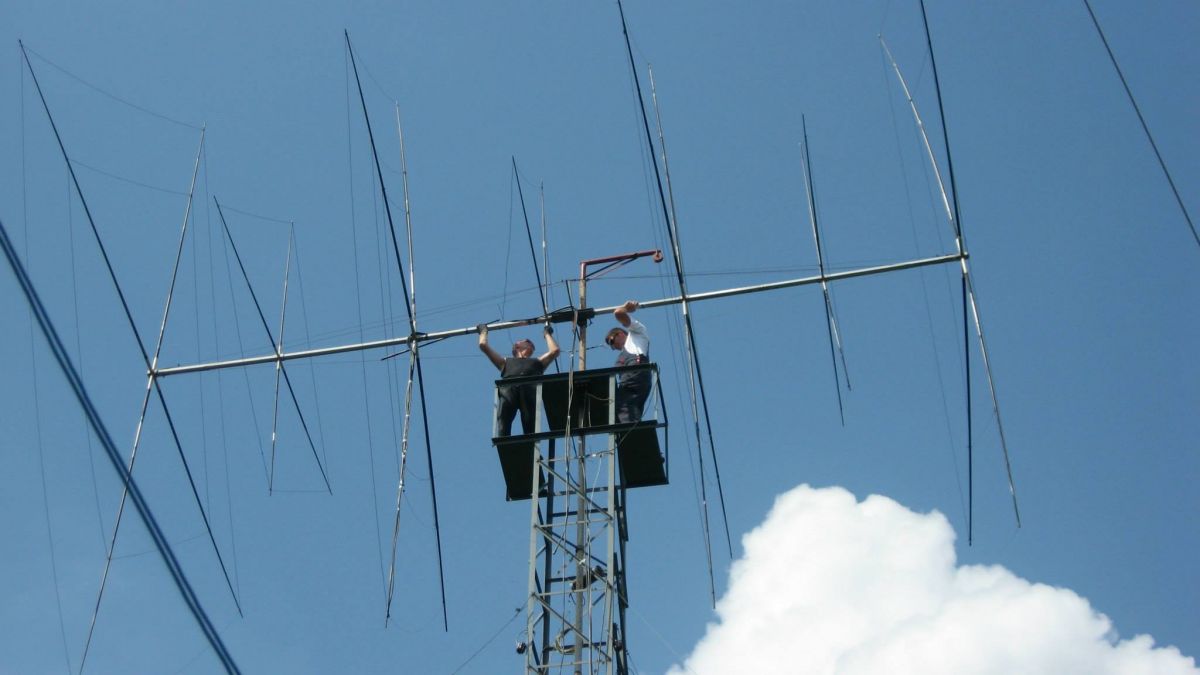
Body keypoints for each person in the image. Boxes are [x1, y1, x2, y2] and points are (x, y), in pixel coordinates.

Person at [479, 324, 559, 436]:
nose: (530, 343)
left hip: (528, 392)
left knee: (530, 423)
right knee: (504, 420)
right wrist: (483, 332)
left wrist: (547, 334)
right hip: (509, 391)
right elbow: (483, 345)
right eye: (526, 341)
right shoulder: (505, 362)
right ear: (517, 346)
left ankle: (529, 441)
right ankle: (504, 440)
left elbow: (555, 350)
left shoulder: (537, 362)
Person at [605, 300, 652, 423]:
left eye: (612, 341)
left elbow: (618, 313)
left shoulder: (637, 333)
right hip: (632, 380)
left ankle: (629, 429)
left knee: (624, 406)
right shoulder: (621, 357)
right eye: (611, 346)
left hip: (636, 373)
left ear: (620, 333)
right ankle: (631, 428)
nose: (613, 346)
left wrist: (626, 308)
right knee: (625, 408)